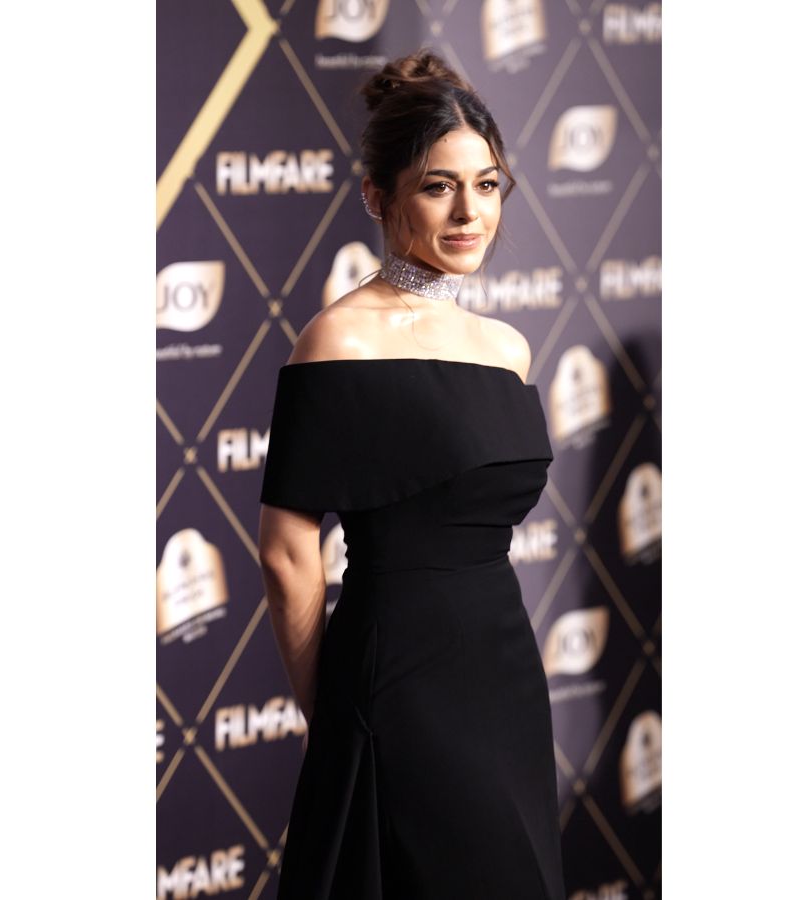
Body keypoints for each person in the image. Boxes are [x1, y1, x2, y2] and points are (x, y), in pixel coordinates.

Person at [258, 47, 565, 899]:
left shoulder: (506, 349)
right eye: (438, 187)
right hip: (397, 678)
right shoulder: (338, 340)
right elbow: (288, 553)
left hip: (504, 670)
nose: (470, 212)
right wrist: (333, 713)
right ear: (377, 196)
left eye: (488, 185)